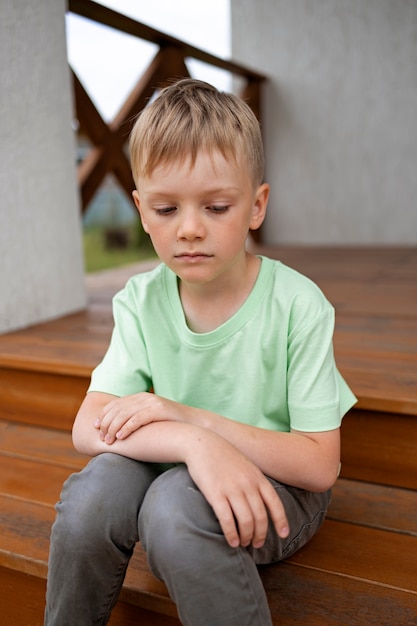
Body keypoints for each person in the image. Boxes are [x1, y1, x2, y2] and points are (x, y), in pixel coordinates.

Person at [44, 78, 356, 626]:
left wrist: (196, 423)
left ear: (256, 205)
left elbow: (319, 463)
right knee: (94, 495)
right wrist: (192, 442)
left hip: (280, 488)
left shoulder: (298, 304)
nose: (189, 229)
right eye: (166, 209)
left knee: (173, 508)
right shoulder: (141, 300)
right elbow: (87, 428)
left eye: (216, 206)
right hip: (175, 459)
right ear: (141, 211)